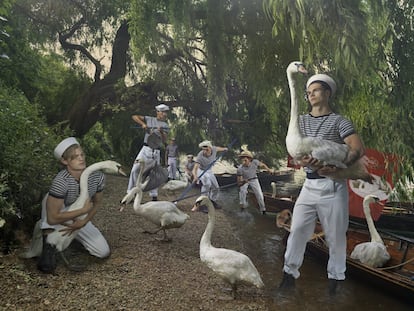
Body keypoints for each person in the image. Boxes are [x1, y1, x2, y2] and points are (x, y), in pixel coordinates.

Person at [279, 73, 366, 295]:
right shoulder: (299, 121)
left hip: (332, 187)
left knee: (335, 235)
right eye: (308, 92)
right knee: (297, 229)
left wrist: (339, 169)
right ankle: (289, 276)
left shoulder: (340, 121)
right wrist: (303, 161)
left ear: (327, 93)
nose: (310, 94)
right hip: (309, 185)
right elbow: (295, 150)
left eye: (316, 90)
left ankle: (335, 282)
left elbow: (357, 148)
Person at [37, 137, 110, 273]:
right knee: (48, 201)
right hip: (59, 214)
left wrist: (83, 222)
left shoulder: (97, 177)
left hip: (80, 216)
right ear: (65, 161)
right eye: (75, 157)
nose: (81, 159)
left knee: (103, 252)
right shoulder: (61, 181)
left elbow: (97, 202)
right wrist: (83, 210)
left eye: (82, 154)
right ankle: (48, 238)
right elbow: (53, 218)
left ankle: (75, 239)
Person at [127, 103, 170, 201]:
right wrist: (143, 124)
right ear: (158, 112)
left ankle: (154, 196)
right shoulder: (149, 119)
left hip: (156, 152)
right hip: (145, 149)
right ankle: (130, 194)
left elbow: (164, 141)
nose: (165, 114)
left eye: (166, 112)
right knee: (135, 170)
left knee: (154, 174)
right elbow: (134, 116)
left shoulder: (165, 125)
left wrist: (162, 132)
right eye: (163, 112)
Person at [191, 140, 228, 209]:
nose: (205, 151)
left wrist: (225, 149)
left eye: (207, 149)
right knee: (207, 184)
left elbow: (218, 148)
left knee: (216, 187)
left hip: (209, 171)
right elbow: (194, 169)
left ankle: (212, 201)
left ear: (210, 148)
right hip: (201, 171)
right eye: (203, 150)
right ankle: (202, 204)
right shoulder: (200, 156)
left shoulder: (214, 149)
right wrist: (195, 177)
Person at [236, 150, 272, 215]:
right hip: (244, 180)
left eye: (246, 157)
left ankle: (263, 210)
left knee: (259, 194)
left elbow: (263, 165)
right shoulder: (240, 169)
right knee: (242, 193)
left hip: (254, 179)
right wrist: (244, 181)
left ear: (249, 159)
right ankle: (242, 208)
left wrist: (269, 170)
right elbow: (239, 183)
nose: (244, 159)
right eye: (243, 157)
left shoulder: (255, 162)